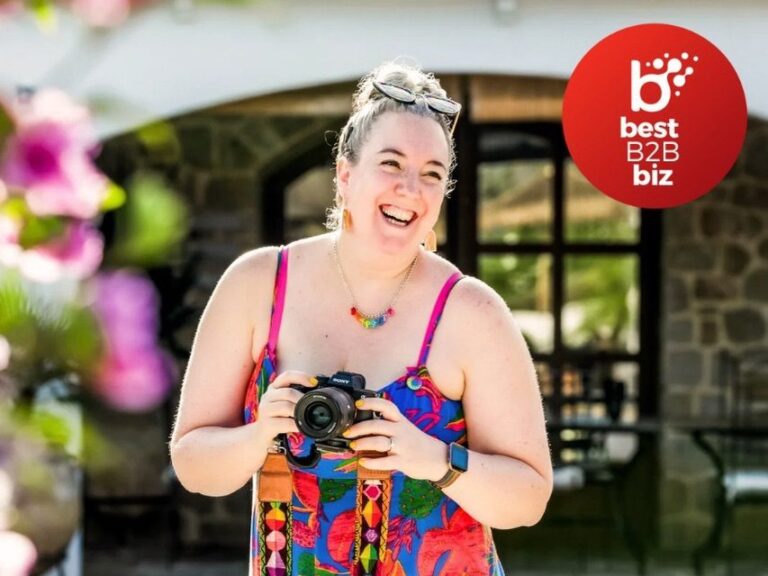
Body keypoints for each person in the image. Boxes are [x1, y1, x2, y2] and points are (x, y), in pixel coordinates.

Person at [170, 60, 553, 576]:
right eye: (391, 164)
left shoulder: (472, 312)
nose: (410, 189)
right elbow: (195, 466)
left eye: (432, 175)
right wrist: (259, 434)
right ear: (345, 175)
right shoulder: (257, 285)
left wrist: (437, 460)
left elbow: (527, 500)